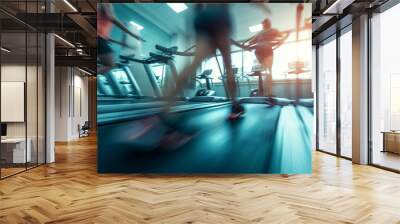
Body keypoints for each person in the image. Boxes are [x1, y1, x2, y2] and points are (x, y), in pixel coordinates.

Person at [163, 3, 244, 119]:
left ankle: (167, 105)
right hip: (220, 16)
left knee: (194, 65)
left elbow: (196, 7)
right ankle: (235, 104)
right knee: (229, 68)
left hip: (202, 18)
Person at [234, 18, 289, 96]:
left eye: (267, 23)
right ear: (263, 25)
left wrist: (282, 39)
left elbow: (281, 38)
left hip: (267, 51)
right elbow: (251, 41)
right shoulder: (259, 33)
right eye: (264, 23)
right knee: (266, 70)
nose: (265, 24)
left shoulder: (274, 30)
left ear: (269, 24)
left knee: (268, 71)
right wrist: (248, 46)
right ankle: (265, 90)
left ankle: (268, 92)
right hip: (259, 51)